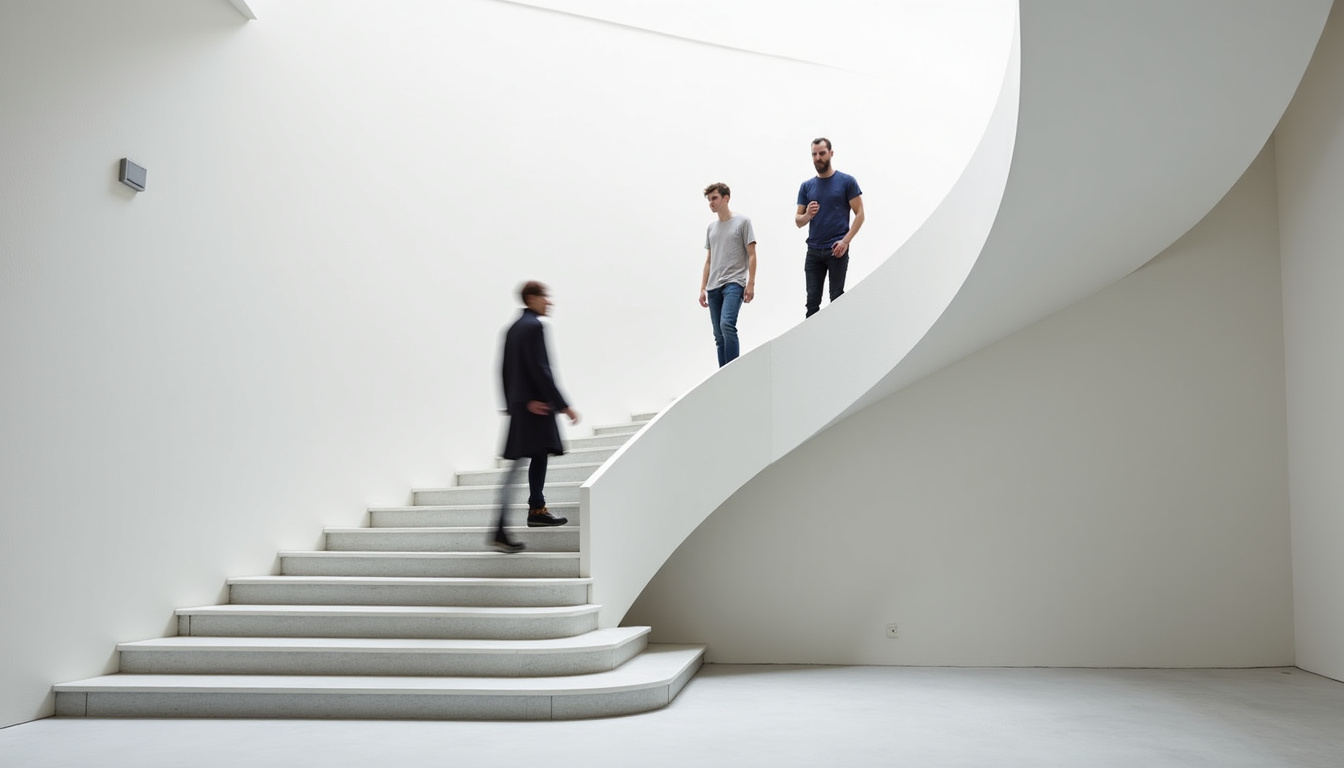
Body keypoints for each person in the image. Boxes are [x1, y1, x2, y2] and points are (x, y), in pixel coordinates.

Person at [492, 281, 579, 553]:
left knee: (537, 455)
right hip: (535, 408)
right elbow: (541, 369)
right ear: (531, 298)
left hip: (525, 406)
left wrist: (515, 404)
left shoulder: (512, 329)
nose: (549, 302)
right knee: (520, 464)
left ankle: (537, 509)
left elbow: (504, 371)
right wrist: (563, 405)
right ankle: (501, 528)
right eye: (545, 297)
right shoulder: (534, 326)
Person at [795, 137, 865, 317]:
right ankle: (813, 336)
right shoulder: (806, 186)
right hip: (813, 252)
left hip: (836, 250)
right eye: (814, 154)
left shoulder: (846, 181)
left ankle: (839, 333)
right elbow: (798, 221)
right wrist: (808, 215)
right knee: (812, 302)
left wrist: (845, 241)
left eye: (822, 153)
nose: (818, 158)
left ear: (831, 153)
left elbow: (860, 214)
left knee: (837, 299)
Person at [698, 182, 757, 367]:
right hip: (713, 286)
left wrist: (751, 283)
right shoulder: (711, 228)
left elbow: (752, 254)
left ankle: (733, 370)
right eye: (709, 200)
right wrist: (702, 288)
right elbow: (709, 260)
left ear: (726, 198)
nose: (711, 202)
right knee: (718, 335)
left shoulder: (743, 222)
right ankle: (723, 374)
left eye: (714, 198)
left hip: (734, 283)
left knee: (727, 325)